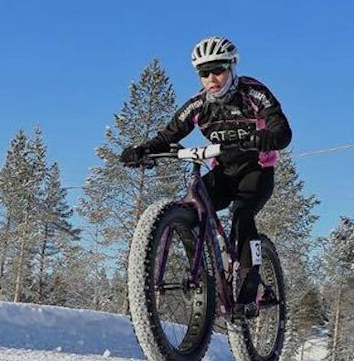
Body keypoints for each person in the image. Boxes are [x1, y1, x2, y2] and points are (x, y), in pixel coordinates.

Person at [121, 35, 292, 319]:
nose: (211, 78)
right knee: (192, 206)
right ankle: (206, 269)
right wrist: (143, 150)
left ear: (232, 67)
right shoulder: (198, 105)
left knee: (242, 214)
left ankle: (250, 285)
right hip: (222, 171)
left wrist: (267, 137)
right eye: (204, 72)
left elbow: (281, 128)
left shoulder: (253, 92)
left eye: (218, 69)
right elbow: (168, 135)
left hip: (257, 169)